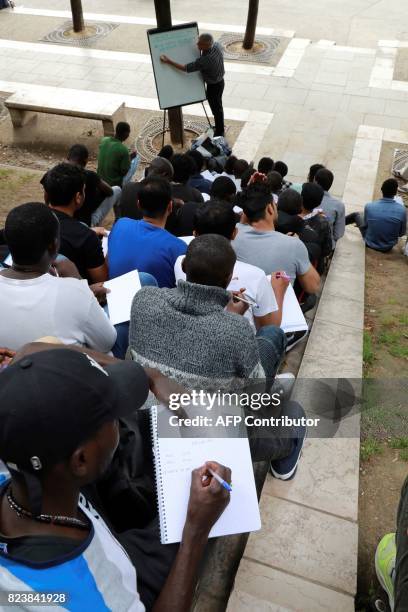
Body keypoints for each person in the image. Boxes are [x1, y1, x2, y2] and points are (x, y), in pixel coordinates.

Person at [0, 348, 231, 611]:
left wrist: (150, 375)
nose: (118, 420)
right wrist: (196, 533)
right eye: (111, 418)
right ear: (81, 460)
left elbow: (30, 351)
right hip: (111, 577)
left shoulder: (16, 447)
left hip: (100, 537)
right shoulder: (86, 597)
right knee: (204, 517)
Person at [131, 233, 287, 387]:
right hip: (208, 409)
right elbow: (255, 389)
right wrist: (232, 320)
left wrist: (229, 320)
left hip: (150, 398)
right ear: (229, 277)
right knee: (273, 333)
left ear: (184, 266)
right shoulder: (237, 329)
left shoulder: (144, 298)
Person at [0, 203, 116, 352]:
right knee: (143, 279)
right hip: (69, 371)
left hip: (13, 371)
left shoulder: (73, 292)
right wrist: (80, 286)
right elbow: (107, 343)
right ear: (54, 246)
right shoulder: (74, 290)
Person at [174, 201, 288, 333]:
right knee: (275, 335)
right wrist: (278, 290)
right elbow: (269, 328)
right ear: (234, 233)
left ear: (195, 234)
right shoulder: (255, 275)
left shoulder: (179, 262)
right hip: (236, 340)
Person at [233, 184, 320, 295]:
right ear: (270, 208)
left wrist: (250, 195)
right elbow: (313, 287)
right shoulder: (294, 245)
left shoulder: (232, 233)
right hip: (274, 311)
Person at [108, 176, 187, 287]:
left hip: (114, 300)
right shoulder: (179, 248)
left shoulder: (120, 224)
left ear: (138, 204)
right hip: (154, 303)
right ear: (170, 206)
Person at [42, 163, 108, 283]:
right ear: (78, 197)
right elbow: (102, 279)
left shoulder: (29, 220)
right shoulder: (86, 237)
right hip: (77, 294)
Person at [160, 33, 225, 137]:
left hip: (214, 86)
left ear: (207, 45)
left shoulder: (206, 60)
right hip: (220, 82)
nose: (197, 44)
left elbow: (185, 68)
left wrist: (168, 61)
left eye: (200, 43)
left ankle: (220, 132)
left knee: (216, 109)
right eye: (198, 41)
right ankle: (219, 126)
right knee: (218, 107)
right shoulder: (216, 46)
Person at [67, 144, 121, 226]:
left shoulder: (56, 174)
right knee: (117, 189)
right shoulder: (90, 175)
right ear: (86, 160)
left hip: (63, 218)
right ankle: (118, 221)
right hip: (84, 222)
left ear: (68, 157)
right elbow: (110, 192)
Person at [346, 179, 407, 252]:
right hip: (388, 247)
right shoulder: (402, 210)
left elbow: (366, 225)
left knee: (356, 215)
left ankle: (335, 224)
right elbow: (401, 233)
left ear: (381, 190)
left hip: (369, 243)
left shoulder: (369, 206)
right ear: (395, 193)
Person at [300, 183, 333, 270]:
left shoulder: (291, 214)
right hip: (312, 267)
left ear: (301, 197)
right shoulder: (323, 223)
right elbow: (327, 249)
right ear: (319, 202)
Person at [97, 122, 136, 188]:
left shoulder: (104, 140)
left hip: (100, 180)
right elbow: (124, 171)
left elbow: (110, 153)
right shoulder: (123, 149)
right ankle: (124, 187)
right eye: (128, 133)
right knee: (136, 159)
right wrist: (130, 158)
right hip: (113, 184)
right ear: (126, 134)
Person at [314, 168, 345, 247]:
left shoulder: (304, 197)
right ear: (331, 184)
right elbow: (338, 234)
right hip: (325, 246)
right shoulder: (339, 205)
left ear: (315, 181)